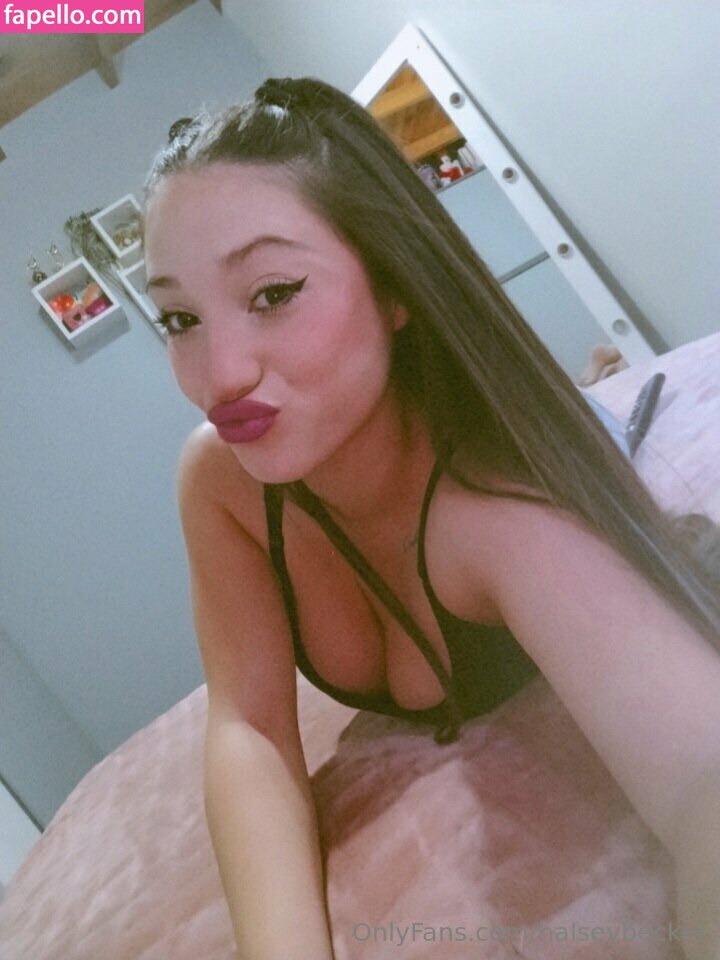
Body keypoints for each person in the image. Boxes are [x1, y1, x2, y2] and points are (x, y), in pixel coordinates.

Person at [141, 77, 720, 960]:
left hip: (531, 442)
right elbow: (247, 726)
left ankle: (597, 378)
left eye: (273, 292)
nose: (219, 377)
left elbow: (701, 779)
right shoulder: (220, 479)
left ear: (394, 285)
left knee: (601, 411)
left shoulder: (498, 513)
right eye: (180, 317)